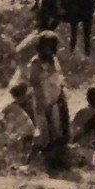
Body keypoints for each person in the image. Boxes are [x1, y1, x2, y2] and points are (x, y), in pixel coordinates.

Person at [28, 31, 69, 170]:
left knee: (56, 128)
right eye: (47, 46)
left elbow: (59, 79)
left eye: (52, 47)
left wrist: (61, 97)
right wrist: (43, 102)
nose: (50, 50)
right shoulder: (36, 62)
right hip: (42, 99)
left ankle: (52, 160)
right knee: (42, 129)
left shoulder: (54, 61)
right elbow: (34, 82)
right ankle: (31, 158)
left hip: (55, 98)